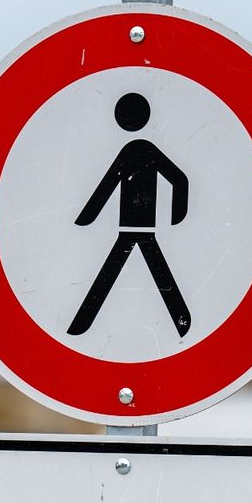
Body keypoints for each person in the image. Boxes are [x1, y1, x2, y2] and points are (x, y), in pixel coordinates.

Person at [70, 92, 193, 337]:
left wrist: (87, 217)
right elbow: (180, 180)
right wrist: (175, 216)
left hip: (134, 227)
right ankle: (182, 321)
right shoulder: (143, 150)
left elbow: (107, 186)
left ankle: (81, 323)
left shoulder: (136, 150)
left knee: (116, 273)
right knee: (146, 271)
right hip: (139, 228)